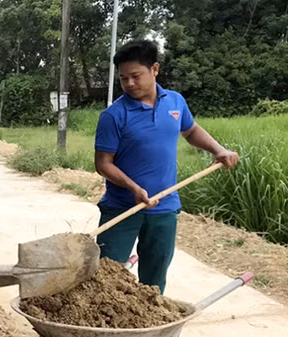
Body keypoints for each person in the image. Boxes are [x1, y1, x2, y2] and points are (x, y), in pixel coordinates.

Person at [95, 39, 239, 292]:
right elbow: (103, 164)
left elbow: (191, 130)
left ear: (155, 70)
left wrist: (218, 150)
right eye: (123, 78)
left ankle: (148, 330)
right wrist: (133, 188)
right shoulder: (113, 116)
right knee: (104, 278)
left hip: (164, 207)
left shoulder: (175, 102)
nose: (129, 84)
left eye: (135, 76)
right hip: (121, 209)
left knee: (154, 280)